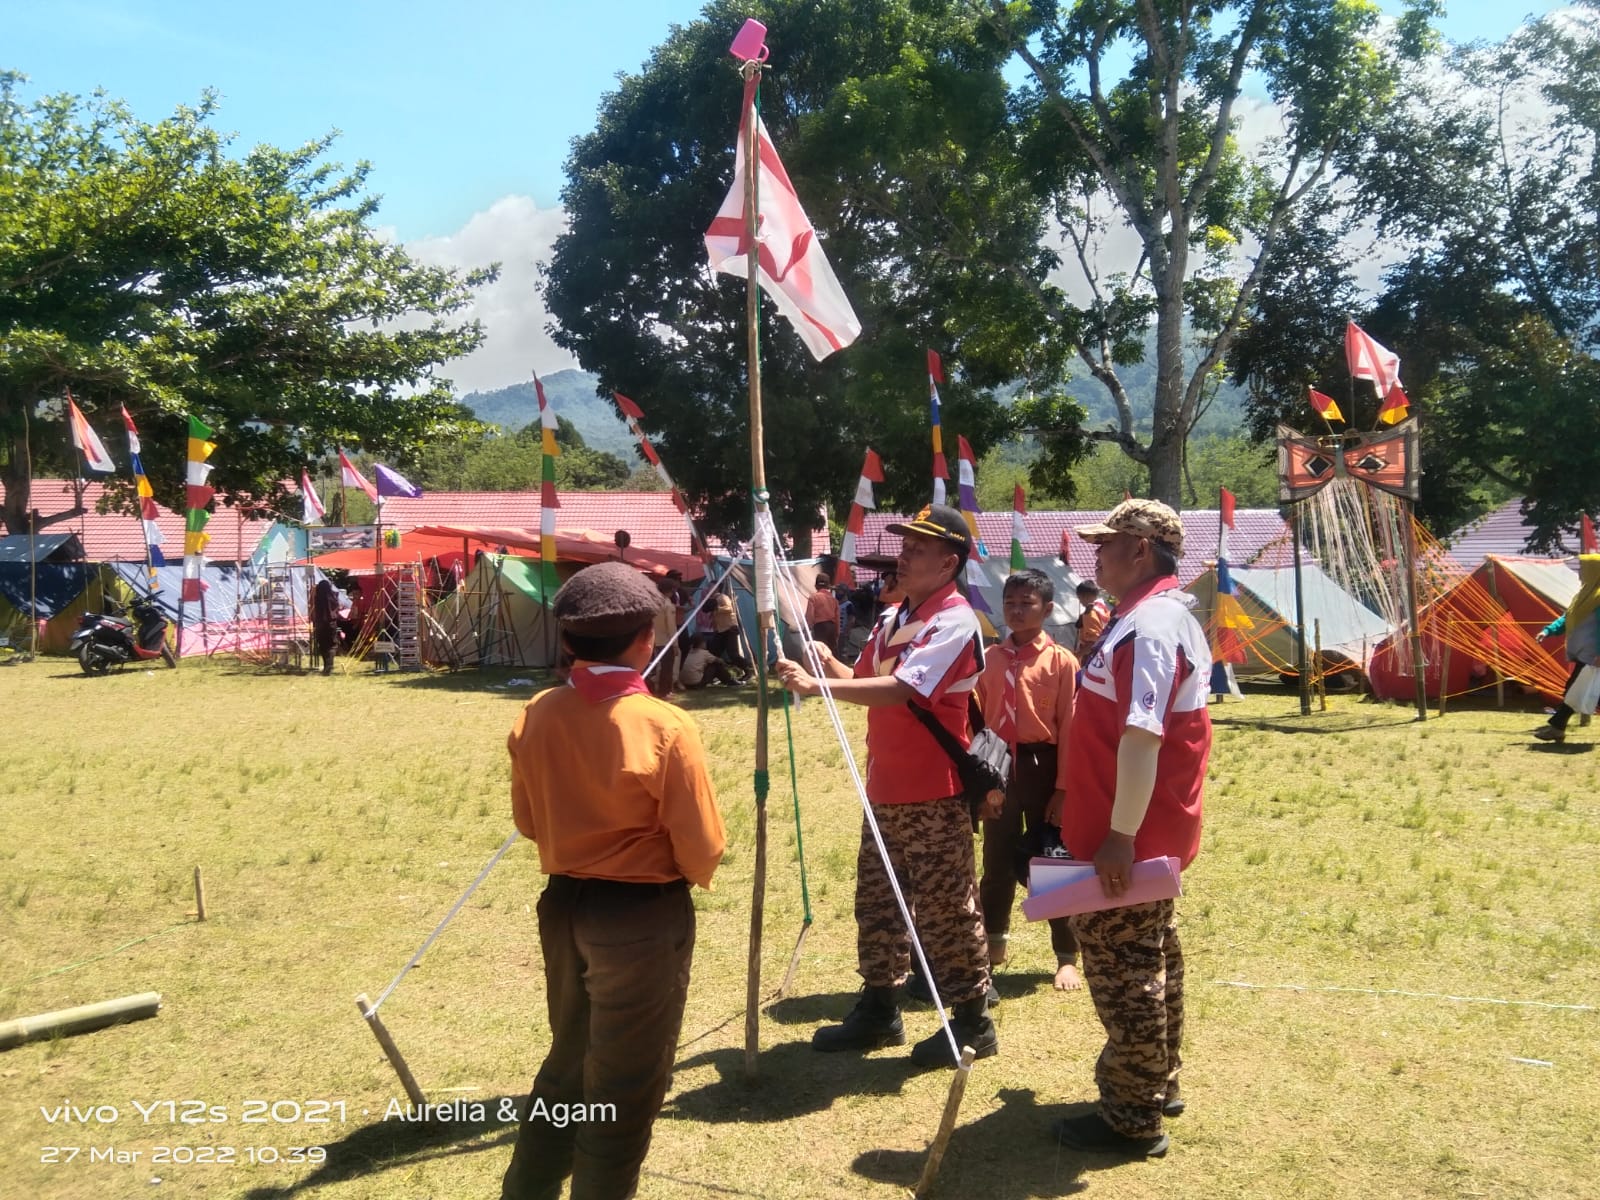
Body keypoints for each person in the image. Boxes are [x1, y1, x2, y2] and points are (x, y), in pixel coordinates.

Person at [501, 562, 726, 1200]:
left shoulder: (538, 712)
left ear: (570, 641)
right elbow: (703, 848)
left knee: (567, 1065)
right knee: (625, 1088)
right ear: (646, 640)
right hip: (639, 916)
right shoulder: (665, 725)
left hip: (564, 903)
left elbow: (526, 821)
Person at [774, 503, 995, 1069]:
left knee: (945, 909)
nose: (905, 552)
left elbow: (901, 689)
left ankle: (972, 1020)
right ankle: (879, 1007)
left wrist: (818, 683)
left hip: (932, 792)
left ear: (949, 562)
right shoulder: (896, 616)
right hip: (886, 789)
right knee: (877, 904)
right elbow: (867, 678)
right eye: (906, 542)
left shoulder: (955, 619)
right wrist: (831, 664)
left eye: (918, 547)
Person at [1053, 498, 1212, 1159]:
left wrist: (1119, 833)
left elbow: (1143, 736)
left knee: (1124, 973)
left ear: (1140, 550)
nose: (1096, 554)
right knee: (1154, 960)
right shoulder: (1152, 618)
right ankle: (1157, 1082)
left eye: (1107, 543)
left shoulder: (1150, 624)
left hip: (1130, 840)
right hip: (1138, 832)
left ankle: (1132, 1115)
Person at [975, 569, 1082, 992]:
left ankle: (1066, 955)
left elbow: (1071, 726)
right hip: (998, 766)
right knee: (996, 859)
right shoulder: (989, 660)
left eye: (1027, 603)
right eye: (1011, 603)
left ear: (1048, 609)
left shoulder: (1060, 662)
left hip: (1044, 766)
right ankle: (995, 942)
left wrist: (1064, 788)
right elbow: (976, 717)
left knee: (1054, 860)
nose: (1017, 611)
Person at [1533, 553, 1600, 743]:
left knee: (1574, 690)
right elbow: (1567, 617)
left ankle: (1557, 728)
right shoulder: (1583, 595)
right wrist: (1548, 630)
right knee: (1579, 691)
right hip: (1584, 653)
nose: (1579, 573)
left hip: (1593, 656)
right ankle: (1557, 728)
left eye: (1583, 569)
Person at [649, 575, 681, 698]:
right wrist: (675, 644)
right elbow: (671, 626)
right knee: (667, 666)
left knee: (658, 665)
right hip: (667, 640)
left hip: (654, 638)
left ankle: (659, 688)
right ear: (671, 590)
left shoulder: (655, 603)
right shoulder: (667, 605)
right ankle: (665, 691)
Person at [311, 578, 340, 675]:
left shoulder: (317, 597)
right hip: (331, 623)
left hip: (320, 624)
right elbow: (337, 607)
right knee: (332, 645)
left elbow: (312, 607)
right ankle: (329, 665)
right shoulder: (334, 596)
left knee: (323, 646)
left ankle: (326, 666)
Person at [806, 574, 840, 653]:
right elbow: (837, 618)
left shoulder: (813, 597)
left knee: (821, 651)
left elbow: (810, 616)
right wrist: (837, 632)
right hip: (832, 627)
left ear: (816, 586)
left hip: (820, 627)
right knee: (831, 652)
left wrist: (809, 628)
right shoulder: (833, 599)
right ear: (828, 586)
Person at [1075, 579, 1111, 655]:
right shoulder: (1102, 608)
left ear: (1085, 596)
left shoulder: (1090, 614)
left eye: (1080, 598)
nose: (1080, 602)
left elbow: (1093, 642)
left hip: (1091, 656)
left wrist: (1078, 655)